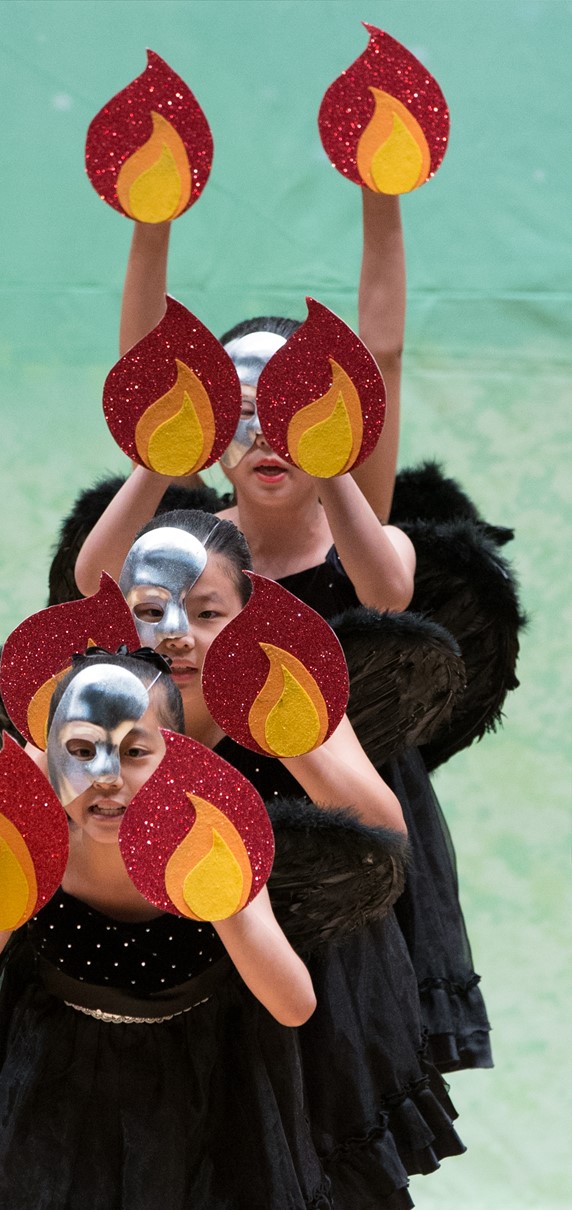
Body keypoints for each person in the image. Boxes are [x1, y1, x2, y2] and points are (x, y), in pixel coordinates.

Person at [72, 190, 494, 1076]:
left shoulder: (362, 529)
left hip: (338, 809)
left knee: (346, 1055)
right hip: (216, 818)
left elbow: (381, 356)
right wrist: (152, 219)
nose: (268, 435)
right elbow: (99, 559)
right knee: (229, 1069)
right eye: (241, 411)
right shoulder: (182, 541)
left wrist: (382, 193)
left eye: (292, 410)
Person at [0, 649, 338, 1210]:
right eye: (81, 750)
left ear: (179, 757)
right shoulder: (32, 846)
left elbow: (294, 1006)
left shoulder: (214, 843)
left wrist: (219, 897)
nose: (106, 775)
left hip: (203, 1096)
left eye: (136, 752)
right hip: (53, 1097)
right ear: (50, 758)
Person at [113, 509, 465, 1210]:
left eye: (207, 613)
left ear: (245, 617)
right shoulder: (105, 705)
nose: (178, 634)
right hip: (168, 987)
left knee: (341, 1204)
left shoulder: (288, 688)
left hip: (314, 978)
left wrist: (282, 732)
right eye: (153, 612)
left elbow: (387, 835)